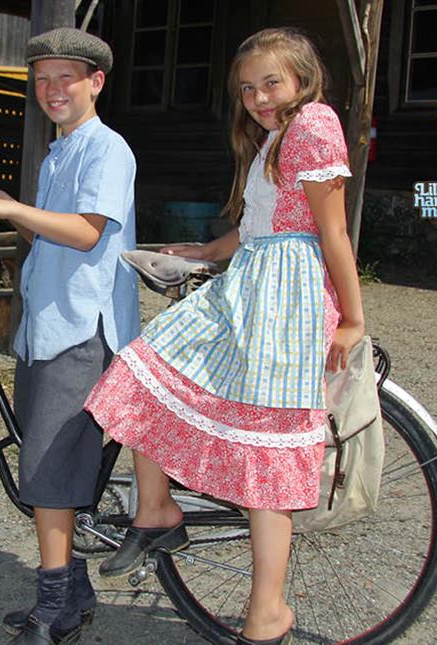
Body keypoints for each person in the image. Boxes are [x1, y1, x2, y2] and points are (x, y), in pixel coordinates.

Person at [84, 27, 367, 645]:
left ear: (302, 79)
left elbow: (333, 233)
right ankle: (156, 509)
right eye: (247, 88)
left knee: (265, 450)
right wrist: (204, 251)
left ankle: (267, 611)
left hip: (286, 302)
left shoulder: (314, 125)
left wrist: (351, 317)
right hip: (252, 286)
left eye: (271, 83)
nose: (260, 97)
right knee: (145, 373)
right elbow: (261, 226)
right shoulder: (273, 137)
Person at [0, 27, 139, 645]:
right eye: (42, 79)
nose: (52, 89)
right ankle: (74, 595)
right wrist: (13, 201)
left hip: (82, 329)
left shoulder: (106, 149)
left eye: (66, 77)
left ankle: (54, 612)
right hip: (49, 325)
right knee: (48, 465)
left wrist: (11, 210)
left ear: (96, 82)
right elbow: (56, 236)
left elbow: (89, 233)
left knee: (49, 471)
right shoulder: (61, 151)